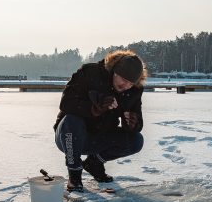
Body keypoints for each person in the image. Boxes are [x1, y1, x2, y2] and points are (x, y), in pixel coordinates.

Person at [54, 50, 146, 192]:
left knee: (136, 140)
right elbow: (66, 103)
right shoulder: (90, 73)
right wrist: (94, 109)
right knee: (72, 120)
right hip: (69, 136)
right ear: (114, 71)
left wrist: (133, 124)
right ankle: (75, 175)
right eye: (123, 79)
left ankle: (94, 163)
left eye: (130, 83)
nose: (126, 86)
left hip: (100, 137)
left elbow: (137, 120)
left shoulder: (133, 91)